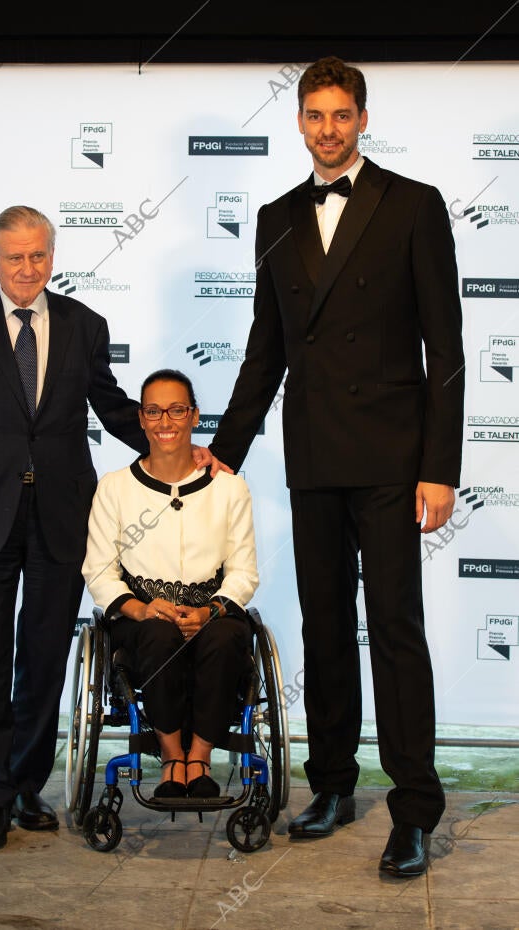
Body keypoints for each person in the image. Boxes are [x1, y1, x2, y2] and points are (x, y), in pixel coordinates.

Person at [208, 56, 465, 876]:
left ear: (362, 118)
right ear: (299, 122)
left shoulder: (415, 205)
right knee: (324, 629)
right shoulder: (277, 215)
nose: (328, 129)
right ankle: (330, 784)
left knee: (395, 630)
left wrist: (440, 466)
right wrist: (226, 453)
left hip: (394, 458)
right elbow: (265, 350)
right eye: (314, 115)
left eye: (340, 114)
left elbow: (447, 348)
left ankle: (414, 808)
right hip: (314, 453)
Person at [0, 206, 211, 849]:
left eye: (39, 256)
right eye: (15, 258)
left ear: (53, 257)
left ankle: (25, 788)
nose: (28, 269)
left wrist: (178, 443)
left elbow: (111, 408)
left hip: (61, 518)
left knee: (45, 659)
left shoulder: (84, 325)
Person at [82, 368, 259, 798]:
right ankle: (171, 757)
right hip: (140, 613)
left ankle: (199, 757)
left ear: (195, 416)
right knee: (158, 633)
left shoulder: (229, 487)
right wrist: (140, 608)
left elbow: (244, 573)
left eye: (177, 410)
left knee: (223, 638)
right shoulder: (115, 488)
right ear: (140, 419)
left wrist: (208, 611)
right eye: (154, 412)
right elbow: (99, 571)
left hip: (211, 608)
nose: (166, 422)